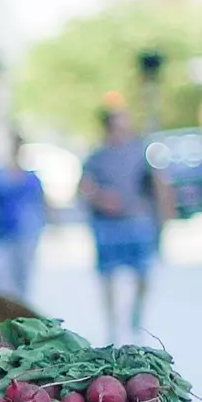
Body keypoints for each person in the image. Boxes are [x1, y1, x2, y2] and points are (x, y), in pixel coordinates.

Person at [79, 106, 173, 341]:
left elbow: (158, 183)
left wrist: (164, 214)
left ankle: (135, 315)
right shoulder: (97, 156)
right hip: (108, 225)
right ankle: (112, 324)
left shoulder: (140, 151)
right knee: (108, 276)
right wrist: (101, 198)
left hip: (137, 221)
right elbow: (84, 187)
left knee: (143, 275)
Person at [0, 133, 45, 302]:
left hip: (26, 232)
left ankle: (18, 315)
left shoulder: (32, 177)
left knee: (22, 278)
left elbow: (41, 203)